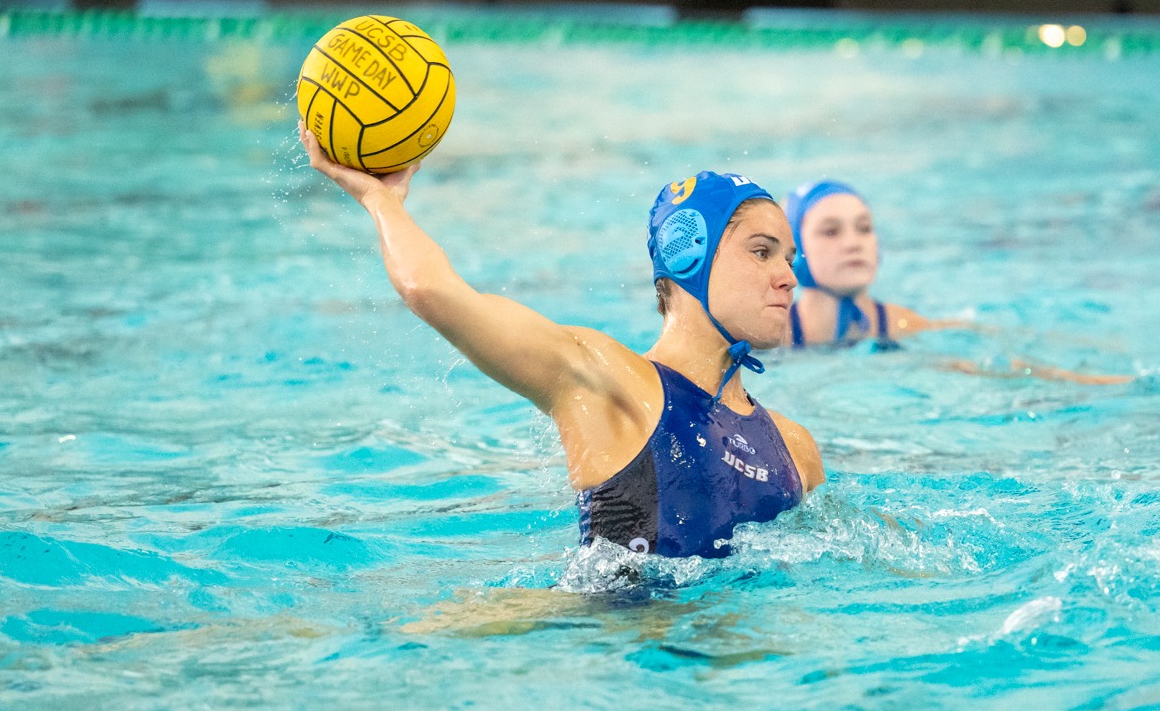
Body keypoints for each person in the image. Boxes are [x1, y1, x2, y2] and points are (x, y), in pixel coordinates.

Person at [303, 126, 824, 560]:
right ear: (690, 256)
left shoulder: (796, 451)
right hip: (611, 649)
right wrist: (380, 199)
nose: (788, 277)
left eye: (789, 258)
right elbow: (432, 290)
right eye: (762, 252)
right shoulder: (605, 381)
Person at [785, 180, 934, 348]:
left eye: (864, 228)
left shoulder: (907, 326)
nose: (853, 243)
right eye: (830, 231)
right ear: (793, 252)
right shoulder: (773, 337)